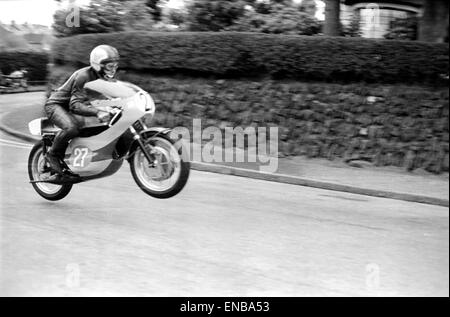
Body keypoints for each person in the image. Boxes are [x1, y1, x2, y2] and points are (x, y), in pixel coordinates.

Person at [44, 44, 120, 178]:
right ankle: (52, 155)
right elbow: (75, 105)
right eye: (109, 66)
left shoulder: (103, 77)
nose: (113, 69)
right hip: (56, 105)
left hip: (74, 106)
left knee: (100, 125)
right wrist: (98, 112)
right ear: (98, 64)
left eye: (115, 65)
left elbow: (106, 96)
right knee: (71, 128)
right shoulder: (83, 76)